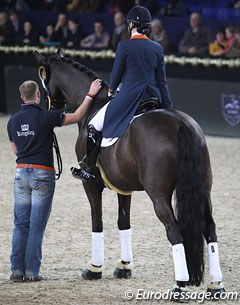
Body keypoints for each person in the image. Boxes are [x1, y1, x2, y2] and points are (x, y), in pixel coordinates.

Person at [7, 78, 102, 282]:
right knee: (36, 225)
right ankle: (32, 272)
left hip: (21, 172)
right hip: (42, 174)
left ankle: (16, 270)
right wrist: (90, 95)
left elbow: (15, 149)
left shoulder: (12, 120)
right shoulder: (46, 117)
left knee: (20, 224)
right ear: (38, 96)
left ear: (21, 97)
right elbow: (77, 116)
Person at [76, 5, 172, 181]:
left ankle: (88, 168)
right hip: (153, 97)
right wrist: (167, 107)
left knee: (93, 126)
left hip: (130, 96)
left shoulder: (125, 46)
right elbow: (162, 81)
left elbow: (116, 75)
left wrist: (111, 89)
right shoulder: (157, 47)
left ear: (130, 25)